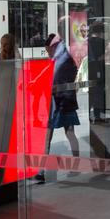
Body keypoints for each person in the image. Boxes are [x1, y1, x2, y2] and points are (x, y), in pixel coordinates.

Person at [35, 33, 80, 183]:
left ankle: (74, 165)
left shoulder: (63, 59)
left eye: (48, 50)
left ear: (53, 47)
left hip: (62, 102)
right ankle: (41, 171)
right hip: (58, 103)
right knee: (58, 135)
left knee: (61, 134)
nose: (48, 53)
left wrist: (38, 83)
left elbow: (53, 77)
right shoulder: (59, 58)